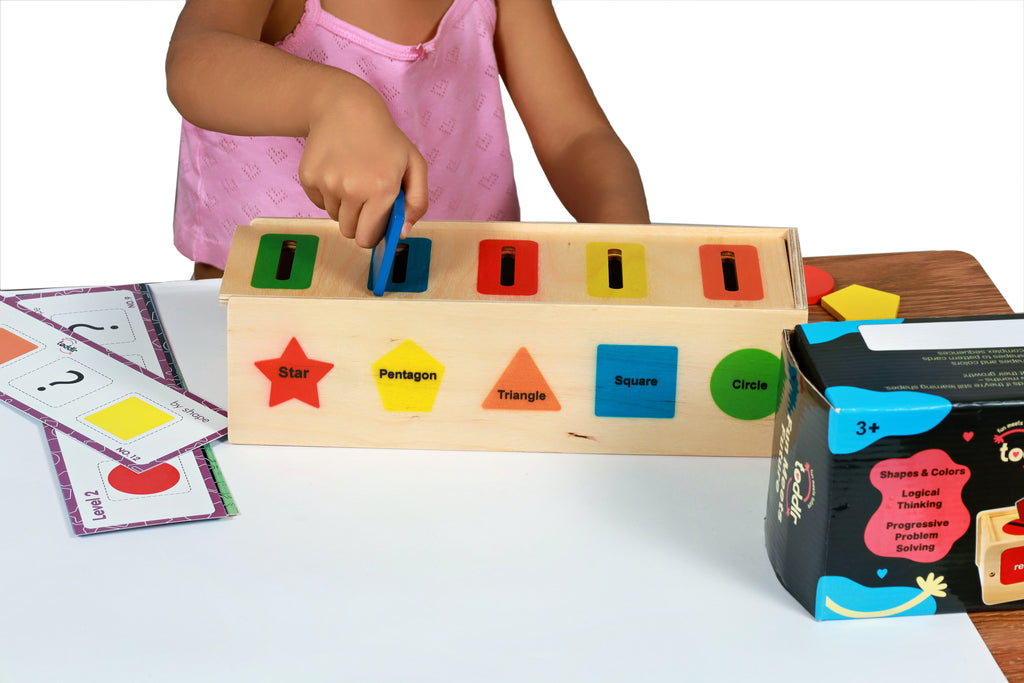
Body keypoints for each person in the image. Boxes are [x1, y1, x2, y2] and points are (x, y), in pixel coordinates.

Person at [166, 0, 650, 279]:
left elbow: (575, 136)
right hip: (264, 304)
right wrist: (334, 101)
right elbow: (194, 59)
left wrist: (623, 239)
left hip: (455, 293)